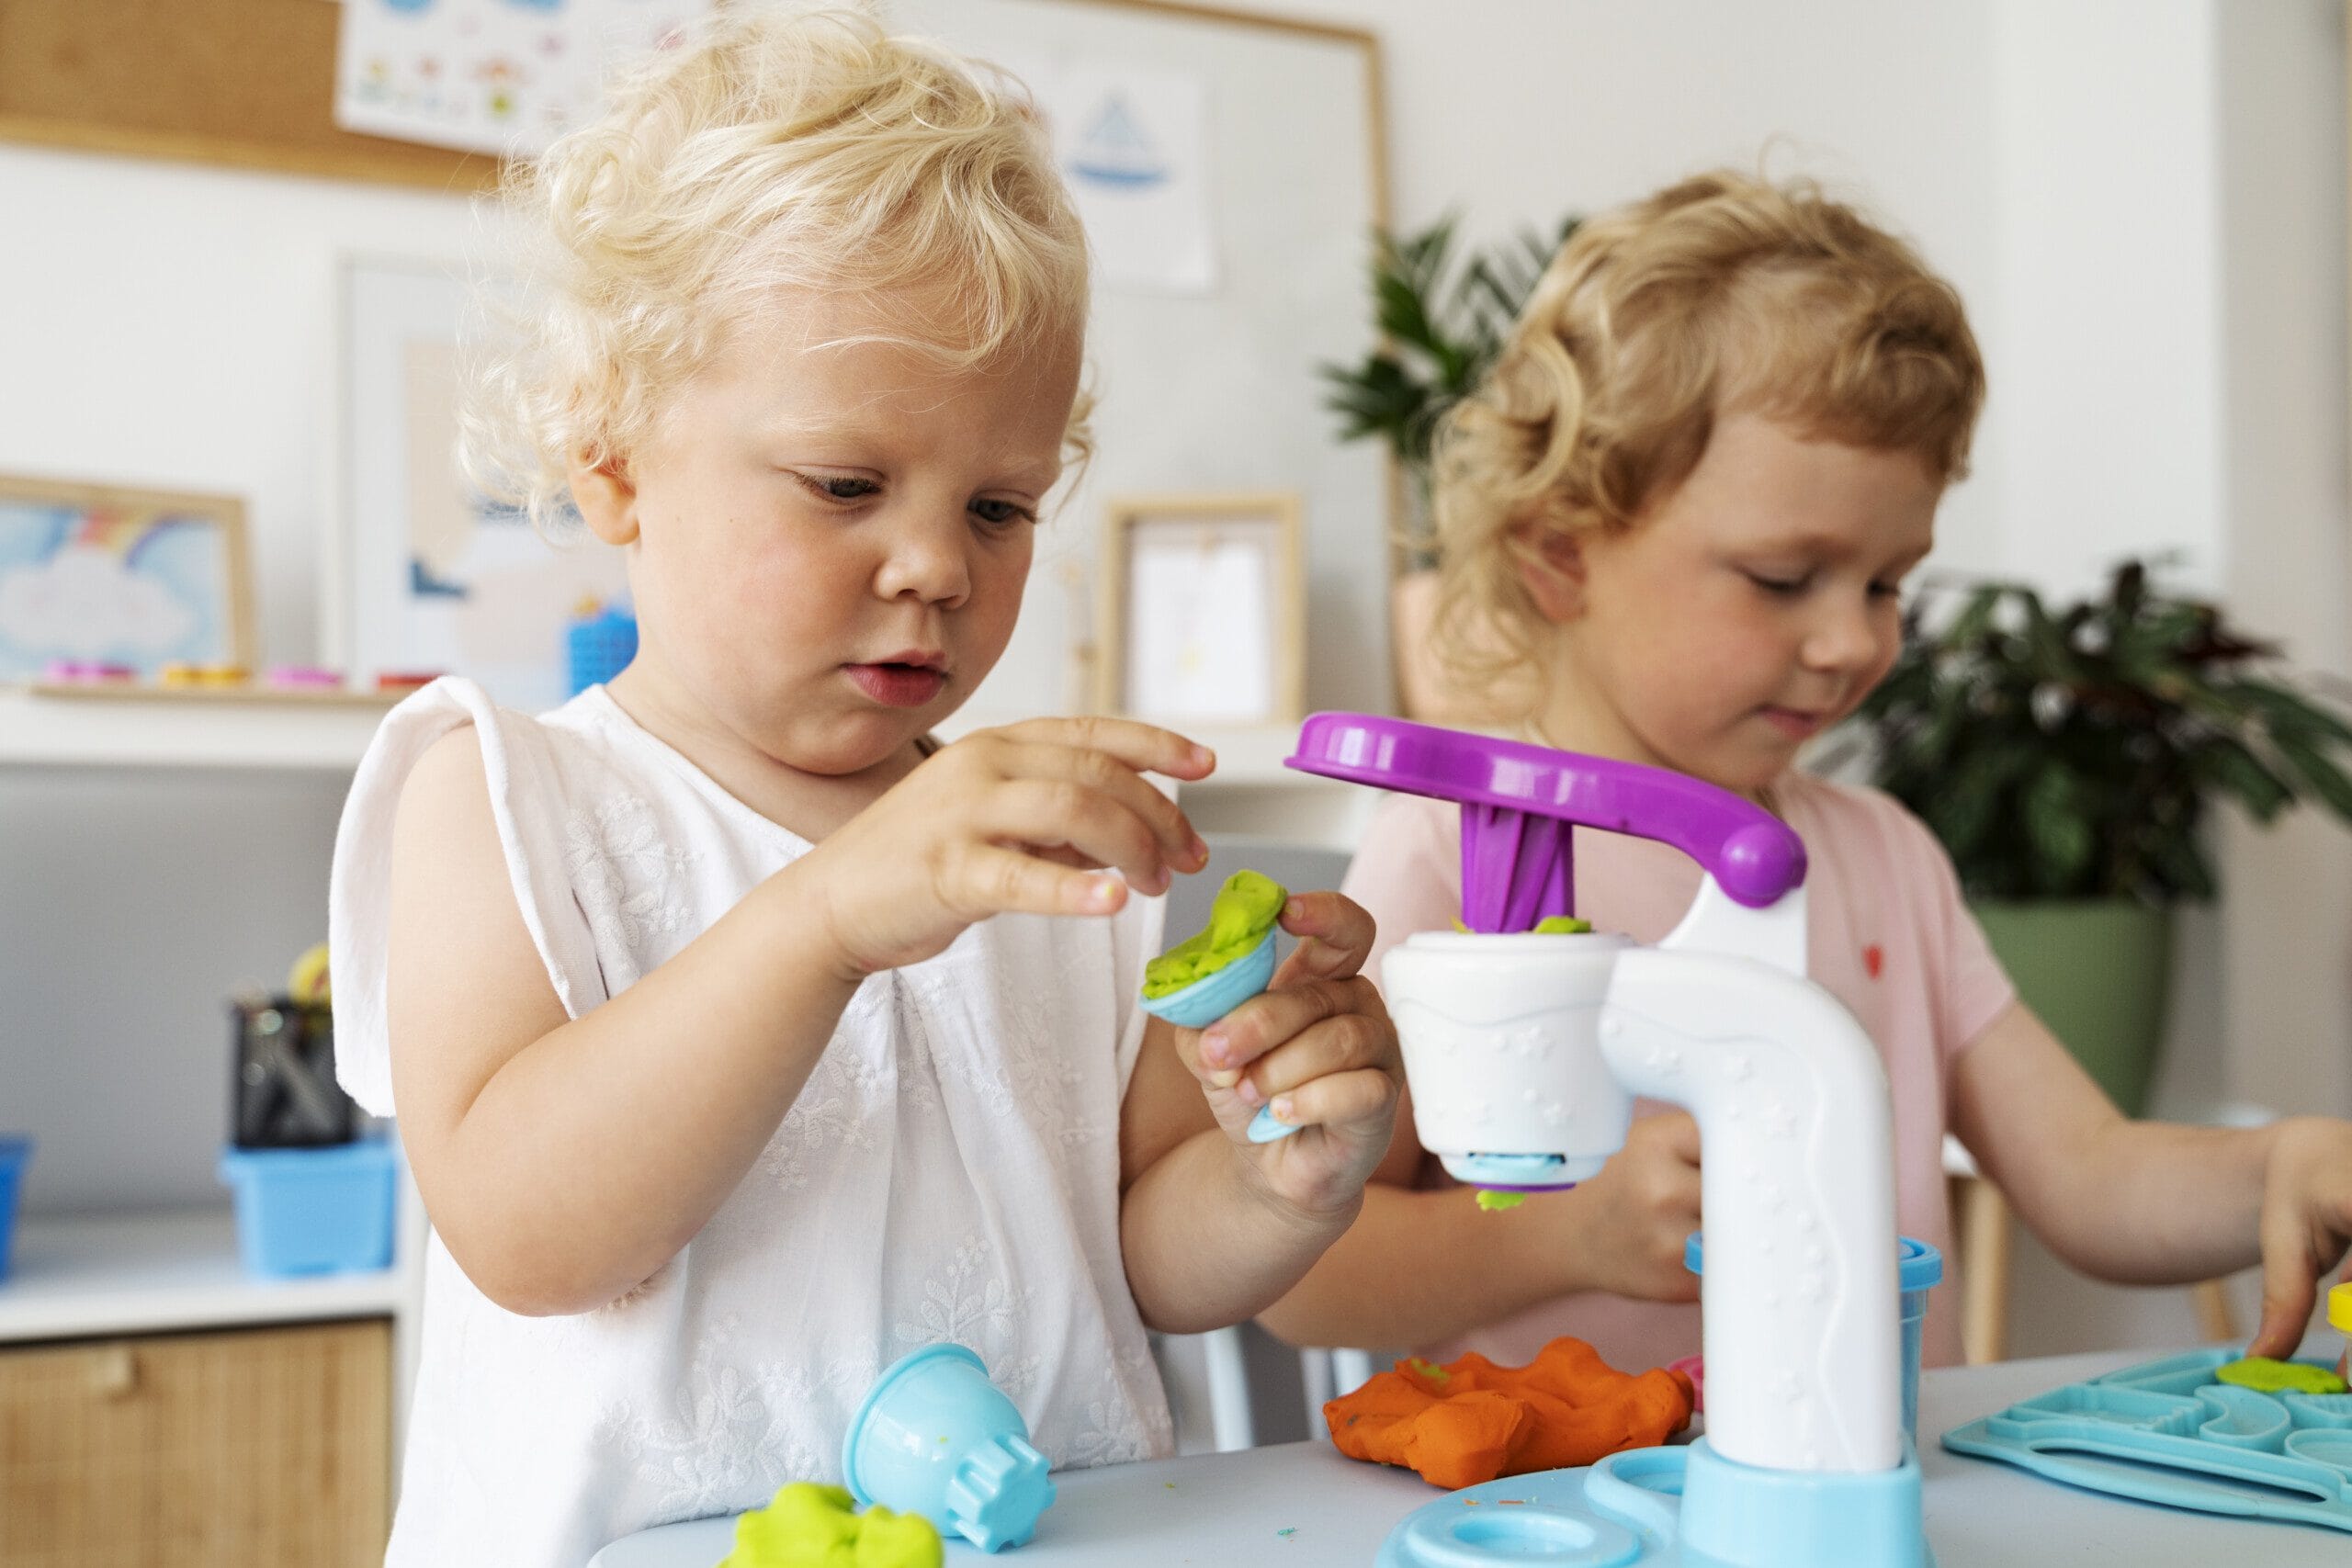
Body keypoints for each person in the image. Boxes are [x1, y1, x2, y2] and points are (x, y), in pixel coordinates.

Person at [326, 11, 1400, 1563]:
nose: (936, 566)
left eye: (999, 504)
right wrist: (824, 917)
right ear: (614, 454)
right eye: (846, 485)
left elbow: (1152, 1257)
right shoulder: (498, 794)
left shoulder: (1053, 853)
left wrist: (1280, 1181)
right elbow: (526, 1231)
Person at [1260, 170, 2352, 1385]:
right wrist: (1574, 1236)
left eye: (1887, 583)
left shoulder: (1887, 859)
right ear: (1563, 555)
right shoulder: (1456, 853)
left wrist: (2279, 1169)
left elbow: (2088, 1172)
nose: (1852, 641)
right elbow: (1308, 1277)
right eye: (1785, 578)